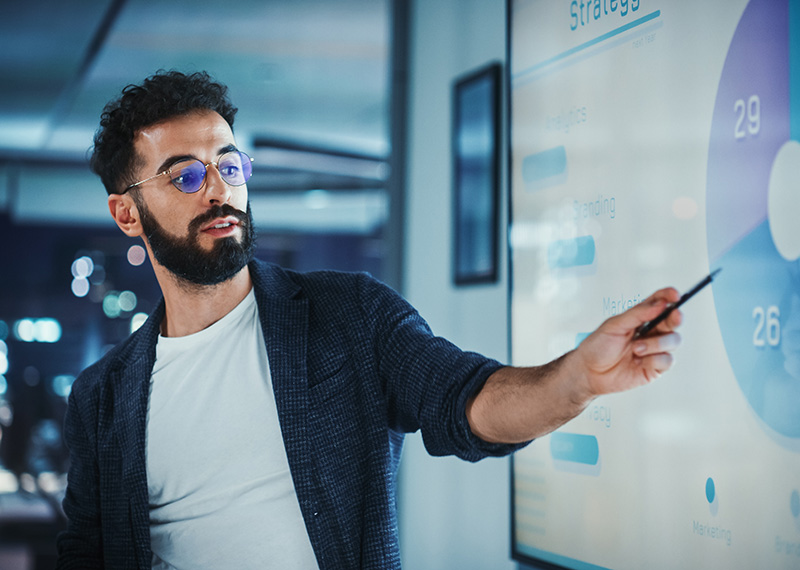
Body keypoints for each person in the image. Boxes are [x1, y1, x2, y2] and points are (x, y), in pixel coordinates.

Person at [55, 70, 682, 569]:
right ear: (127, 214)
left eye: (230, 164)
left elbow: (466, 401)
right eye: (185, 175)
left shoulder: (348, 314)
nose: (218, 189)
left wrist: (577, 378)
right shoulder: (103, 398)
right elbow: (86, 554)